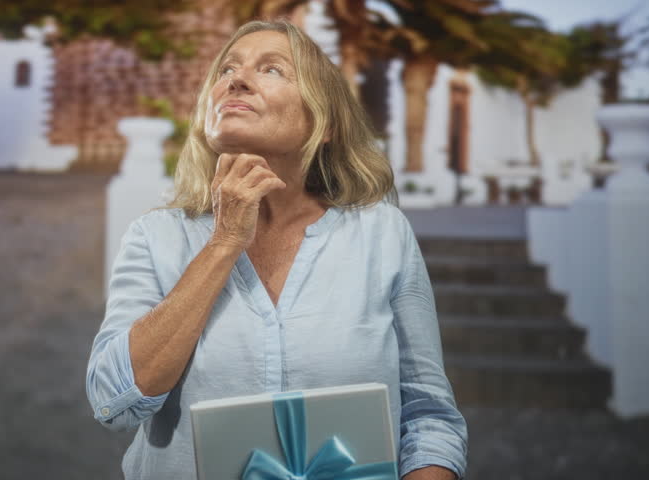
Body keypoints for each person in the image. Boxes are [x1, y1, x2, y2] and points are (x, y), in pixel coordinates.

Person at [86, 20, 467, 480]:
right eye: (226, 68)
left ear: (322, 123)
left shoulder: (382, 233)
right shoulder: (154, 236)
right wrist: (225, 241)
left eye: (272, 70)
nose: (236, 79)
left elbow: (428, 415)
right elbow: (113, 401)